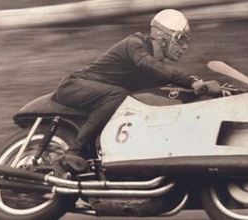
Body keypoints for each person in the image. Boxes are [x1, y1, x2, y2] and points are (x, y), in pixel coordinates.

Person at [53, 9, 222, 172]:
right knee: (117, 95)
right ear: (163, 37)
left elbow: (168, 77)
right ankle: (73, 151)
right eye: (181, 38)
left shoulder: (154, 68)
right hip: (75, 85)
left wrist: (207, 88)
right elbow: (152, 65)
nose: (184, 46)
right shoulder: (135, 44)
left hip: (94, 92)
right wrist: (192, 81)